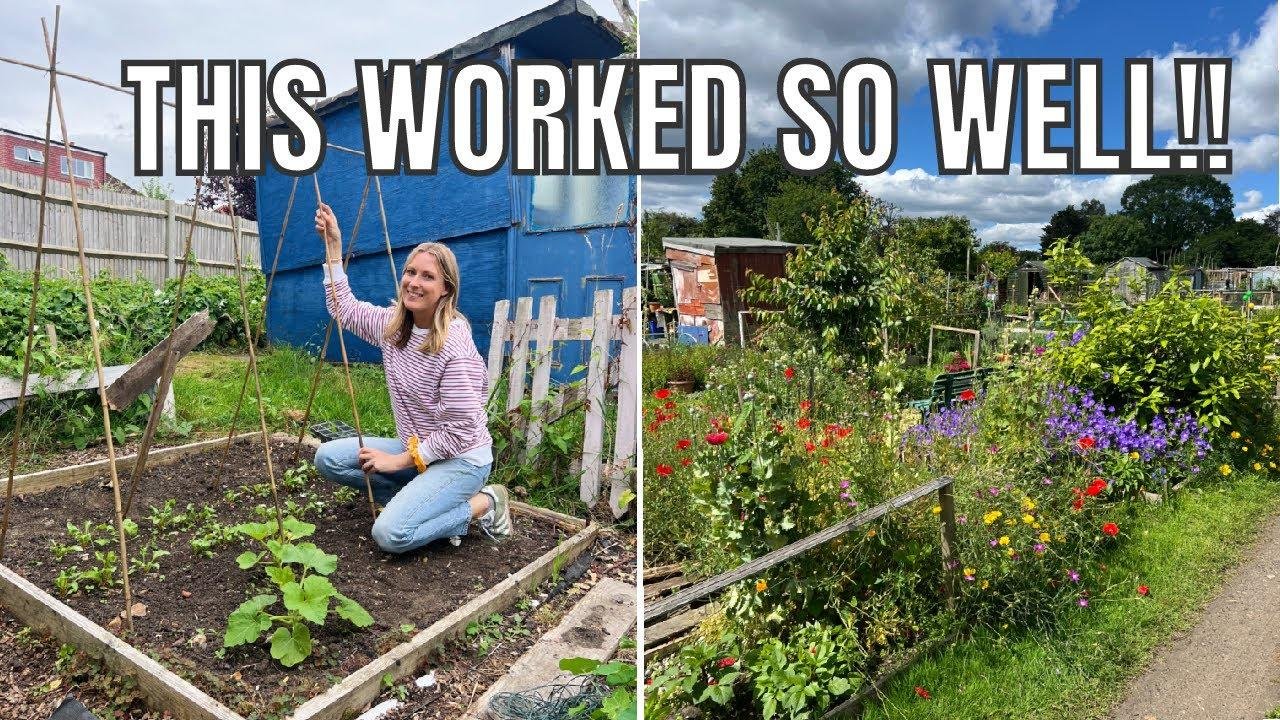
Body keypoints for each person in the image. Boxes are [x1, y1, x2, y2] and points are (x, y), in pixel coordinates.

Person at [311, 202, 510, 553]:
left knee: (391, 534)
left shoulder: (453, 343)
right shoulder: (393, 327)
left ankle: (485, 504)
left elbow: (463, 431)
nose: (414, 283)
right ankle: (422, 499)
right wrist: (334, 247)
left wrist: (400, 461)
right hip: (417, 451)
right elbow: (343, 308)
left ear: (446, 289)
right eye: (411, 272)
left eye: (428, 277)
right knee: (328, 458)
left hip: (463, 460)